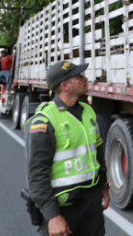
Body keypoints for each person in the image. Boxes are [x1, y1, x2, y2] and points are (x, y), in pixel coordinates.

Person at [24, 61, 109, 236]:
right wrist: (52, 216)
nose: (85, 79)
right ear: (65, 86)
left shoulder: (88, 111)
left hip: (91, 200)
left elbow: (97, 150)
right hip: (61, 205)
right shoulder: (44, 121)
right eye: (78, 77)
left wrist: (104, 185)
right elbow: (37, 176)